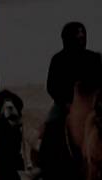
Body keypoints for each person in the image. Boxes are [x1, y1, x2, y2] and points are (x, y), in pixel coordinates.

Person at [39, 22, 102, 180]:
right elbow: (51, 86)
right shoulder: (59, 59)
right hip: (65, 104)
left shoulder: (93, 58)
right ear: (68, 38)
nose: (81, 37)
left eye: (83, 34)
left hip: (93, 104)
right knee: (50, 125)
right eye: (77, 35)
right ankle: (44, 166)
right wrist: (65, 102)